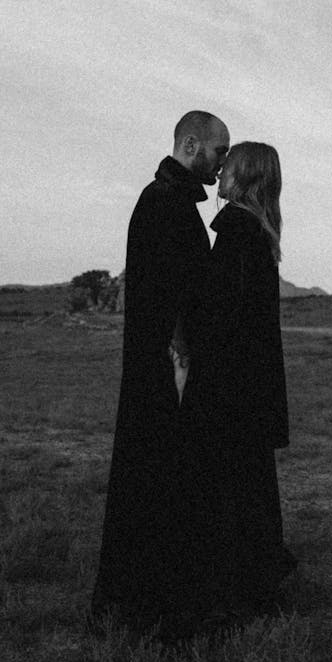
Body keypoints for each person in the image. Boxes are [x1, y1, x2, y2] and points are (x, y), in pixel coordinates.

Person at [92, 110, 230, 635]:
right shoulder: (165, 204)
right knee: (153, 490)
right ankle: (148, 612)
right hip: (161, 376)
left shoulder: (169, 201)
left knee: (155, 490)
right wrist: (181, 368)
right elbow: (176, 303)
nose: (222, 163)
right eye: (218, 151)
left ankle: (146, 606)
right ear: (191, 145)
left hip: (160, 373)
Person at [181, 141, 297, 628]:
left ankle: (238, 591)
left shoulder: (235, 231)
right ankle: (260, 584)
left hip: (229, 389)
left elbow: (220, 317)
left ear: (242, 176)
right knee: (250, 486)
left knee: (228, 490)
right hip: (252, 389)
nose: (220, 169)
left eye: (229, 163)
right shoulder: (261, 233)